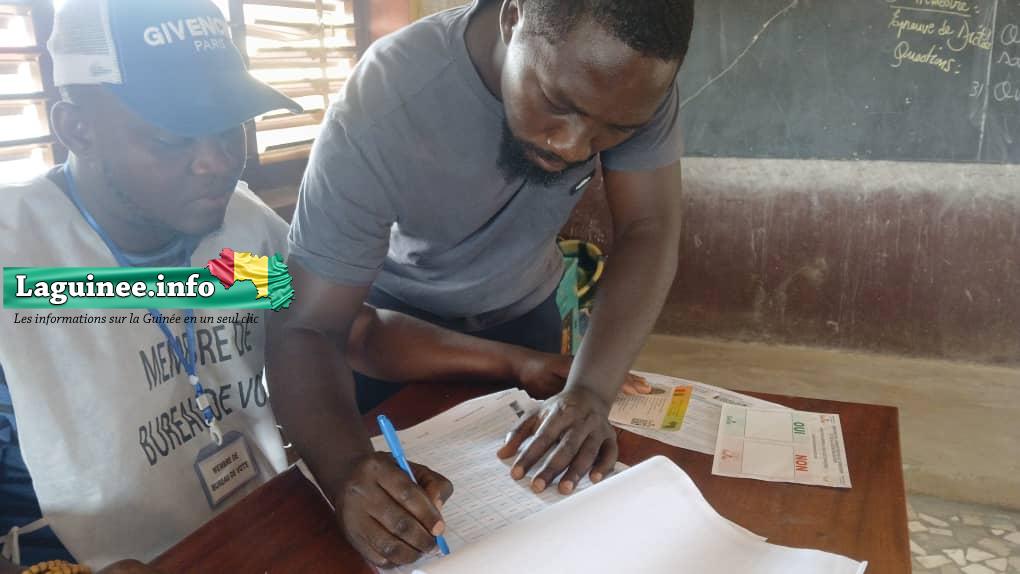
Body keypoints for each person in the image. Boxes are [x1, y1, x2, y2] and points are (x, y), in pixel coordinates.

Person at [0, 1, 641, 571]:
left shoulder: (236, 239)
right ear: (76, 127)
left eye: (228, 127)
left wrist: (516, 362)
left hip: (257, 523)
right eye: (172, 138)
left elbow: (354, 332)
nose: (216, 162)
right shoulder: (19, 270)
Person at [269, 0, 694, 567]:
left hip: (527, 312)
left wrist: (591, 392)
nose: (573, 147)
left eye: (615, 131)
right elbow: (310, 326)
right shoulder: (385, 100)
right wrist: (345, 468)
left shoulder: (631, 85)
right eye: (558, 104)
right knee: (378, 512)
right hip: (397, 334)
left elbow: (649, 227)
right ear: (512, 18)